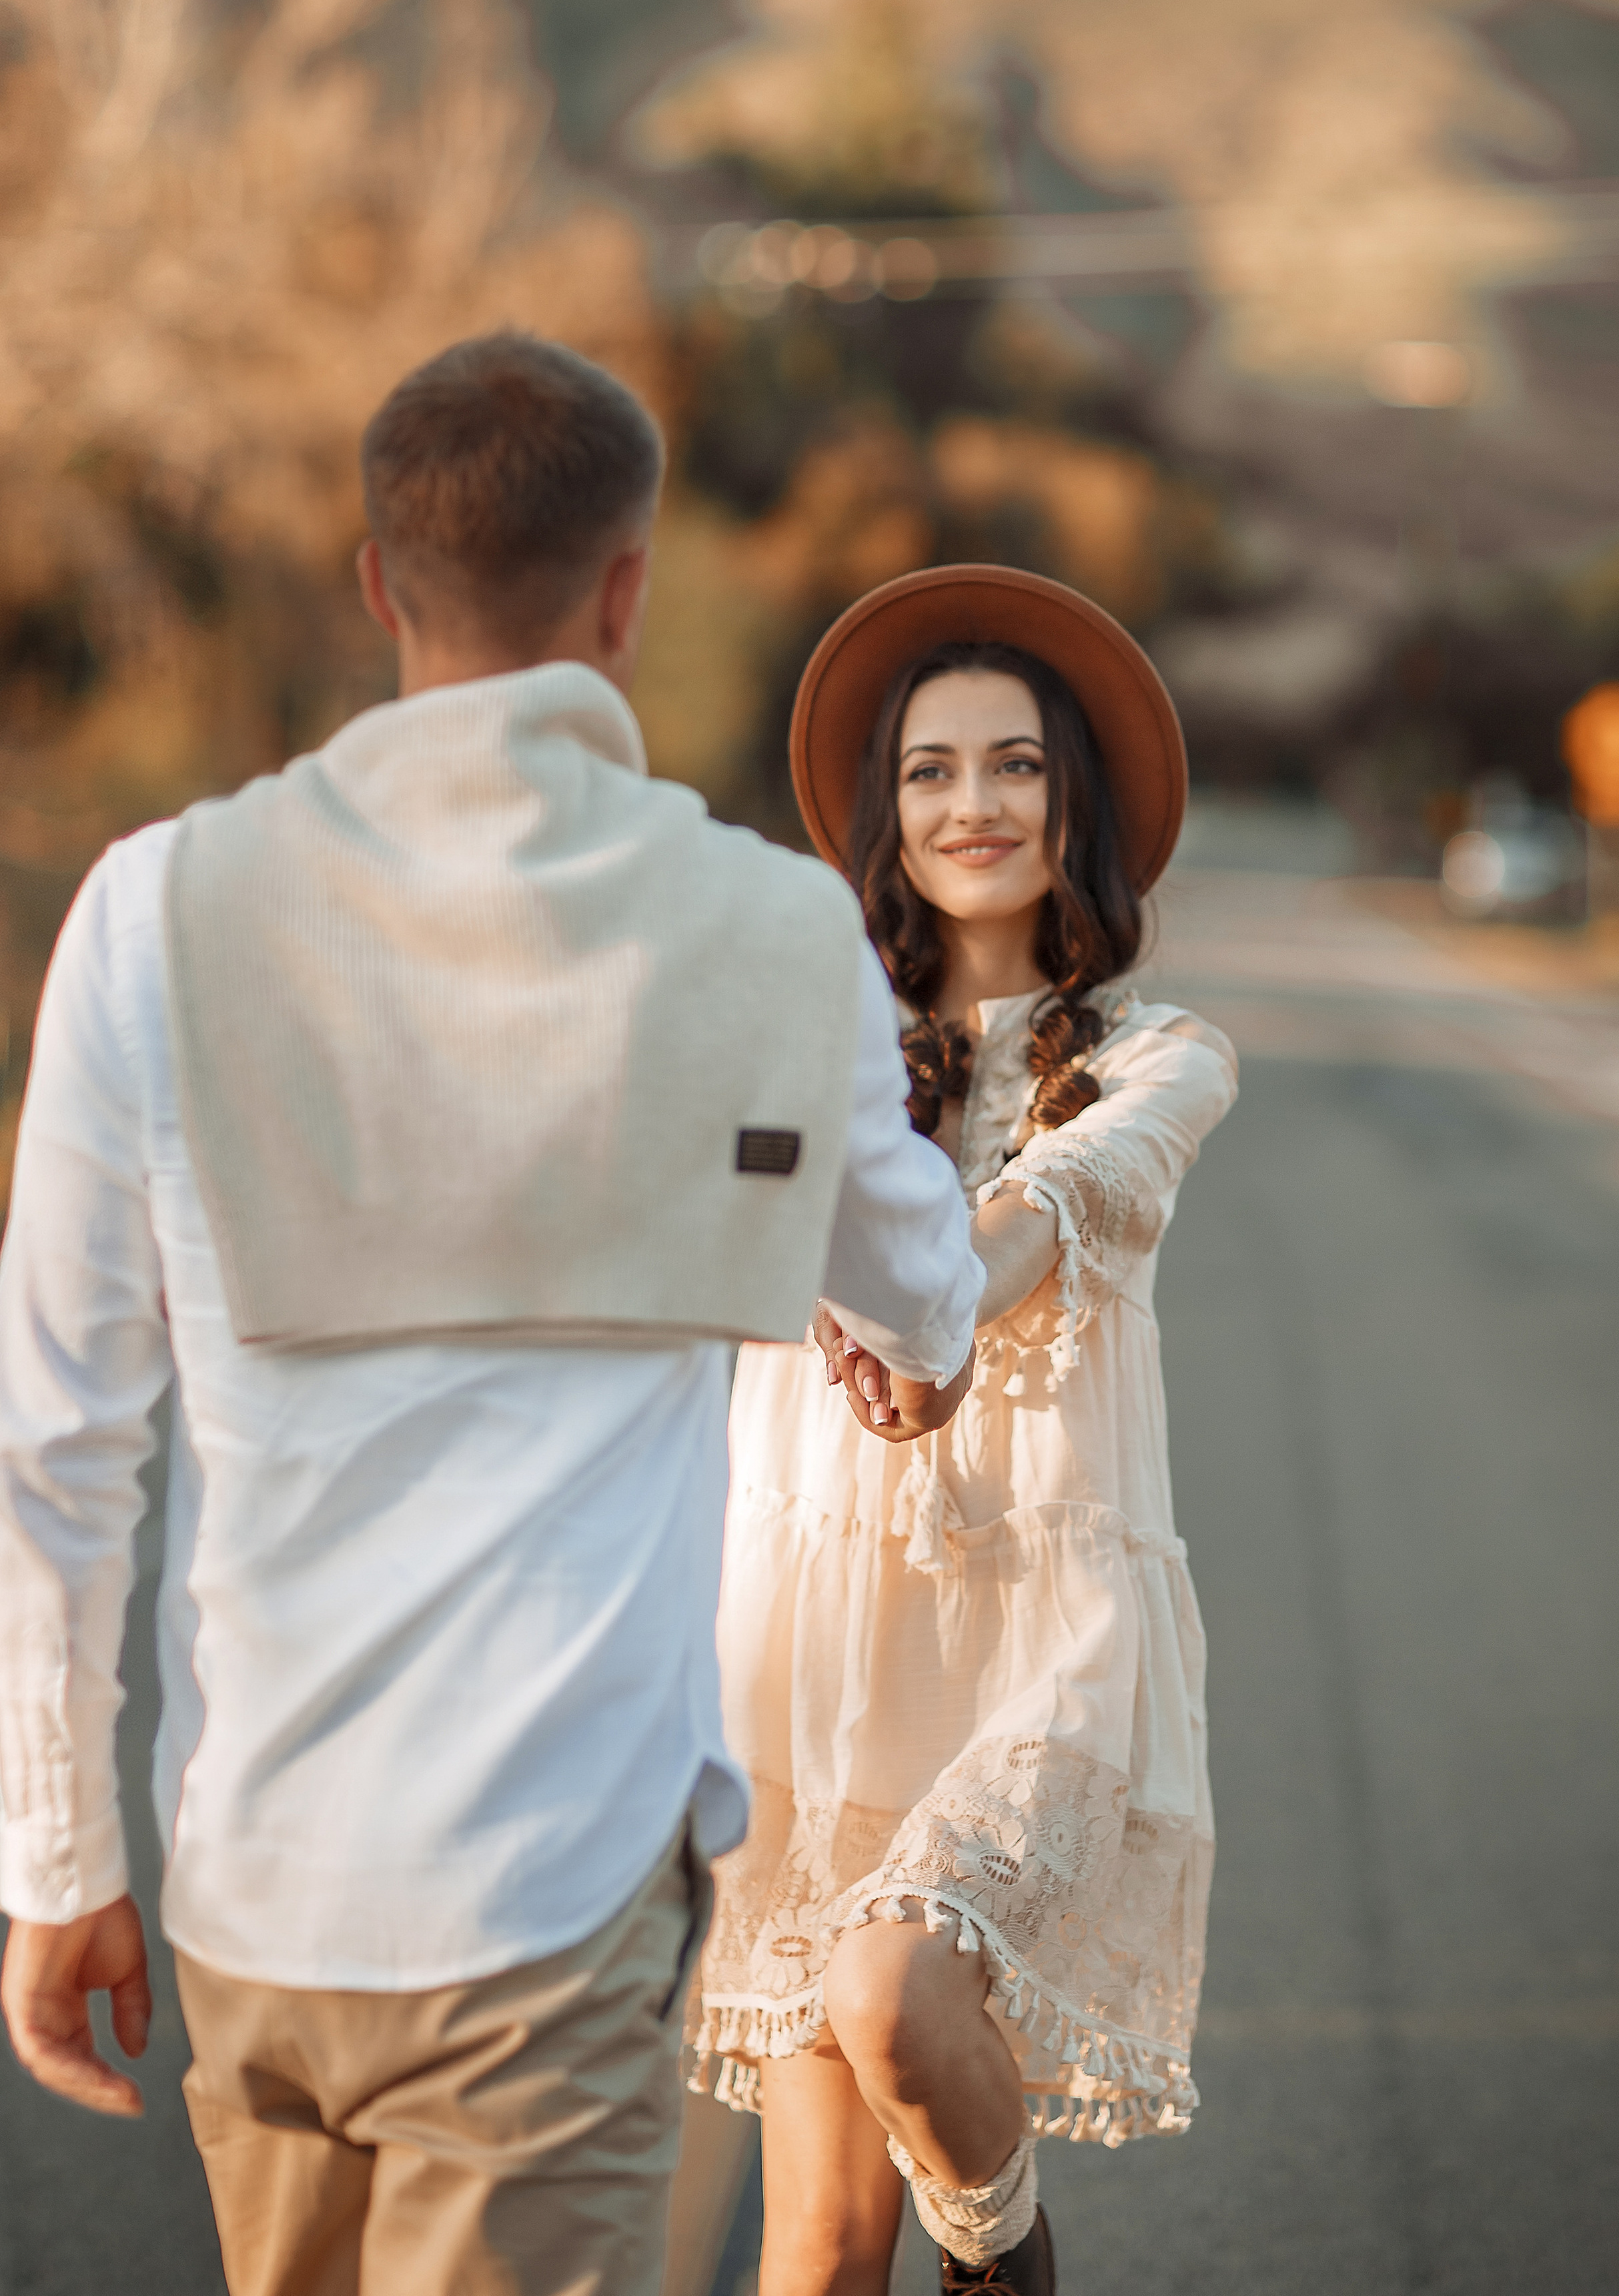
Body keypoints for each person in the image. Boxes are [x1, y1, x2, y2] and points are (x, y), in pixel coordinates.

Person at [0, 336, 986, 2296]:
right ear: (625, 592)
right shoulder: (770, 930)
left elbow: (58, 1442)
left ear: (380, 583)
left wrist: (55, 1859)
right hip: (552, 1898)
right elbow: (928, 1303)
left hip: (250, 1889)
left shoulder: (148, 910)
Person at [690, 566, 1239, 2295]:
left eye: (1016, 764)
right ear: (887, 811)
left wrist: (928, 1319)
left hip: (1037, 1648)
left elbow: (1044, 1214)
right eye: (930, 770)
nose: (973, 803)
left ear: (1075, 806)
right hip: (813, 1651)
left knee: (892, 1986)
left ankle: (1004, 2259)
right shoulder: (805, 1048)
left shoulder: (1162, 1058)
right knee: (819, 2241)